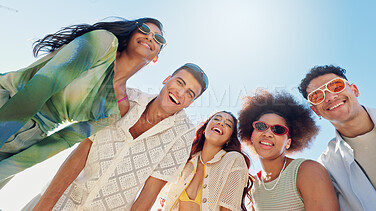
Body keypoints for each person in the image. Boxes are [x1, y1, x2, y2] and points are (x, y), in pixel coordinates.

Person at [0, 17, 166, 187]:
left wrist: (7, 169)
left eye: (158, 39)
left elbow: (63, 140)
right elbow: (40, 88)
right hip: (7, 101)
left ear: (156, 59)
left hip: (25, 140)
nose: (150, 37)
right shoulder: (103, 42)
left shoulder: (118, 107)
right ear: (131, 33)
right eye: (144, 29)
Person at [22, 63, 209, 210]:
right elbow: (82, 152)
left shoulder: (182, 135)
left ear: (190, 102)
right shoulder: (126, 98)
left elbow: (150, 192)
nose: (180, 93)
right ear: (167, 79)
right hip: (63, 196)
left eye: (190, 93)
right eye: (180, 82)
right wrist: (44, 206)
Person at [298, 65, 376, 210]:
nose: (330, 97)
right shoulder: (327, 167)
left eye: (336, 86)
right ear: (316, 111)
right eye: (317, 96)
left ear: (354, 90)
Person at [238, 89, 339, 210]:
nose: (268, 133)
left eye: (278, 130)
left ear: (288, 143)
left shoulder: (307, 171)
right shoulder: (252, 186)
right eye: (261, 126)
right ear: (251, 136)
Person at [161, 111, 251, 211]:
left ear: (229, 139)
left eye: (228, 124)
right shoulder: (186, 161)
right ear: (204, 130)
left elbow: (228, 208)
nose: (221, 123)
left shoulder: (234, 160)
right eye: (217, 119)